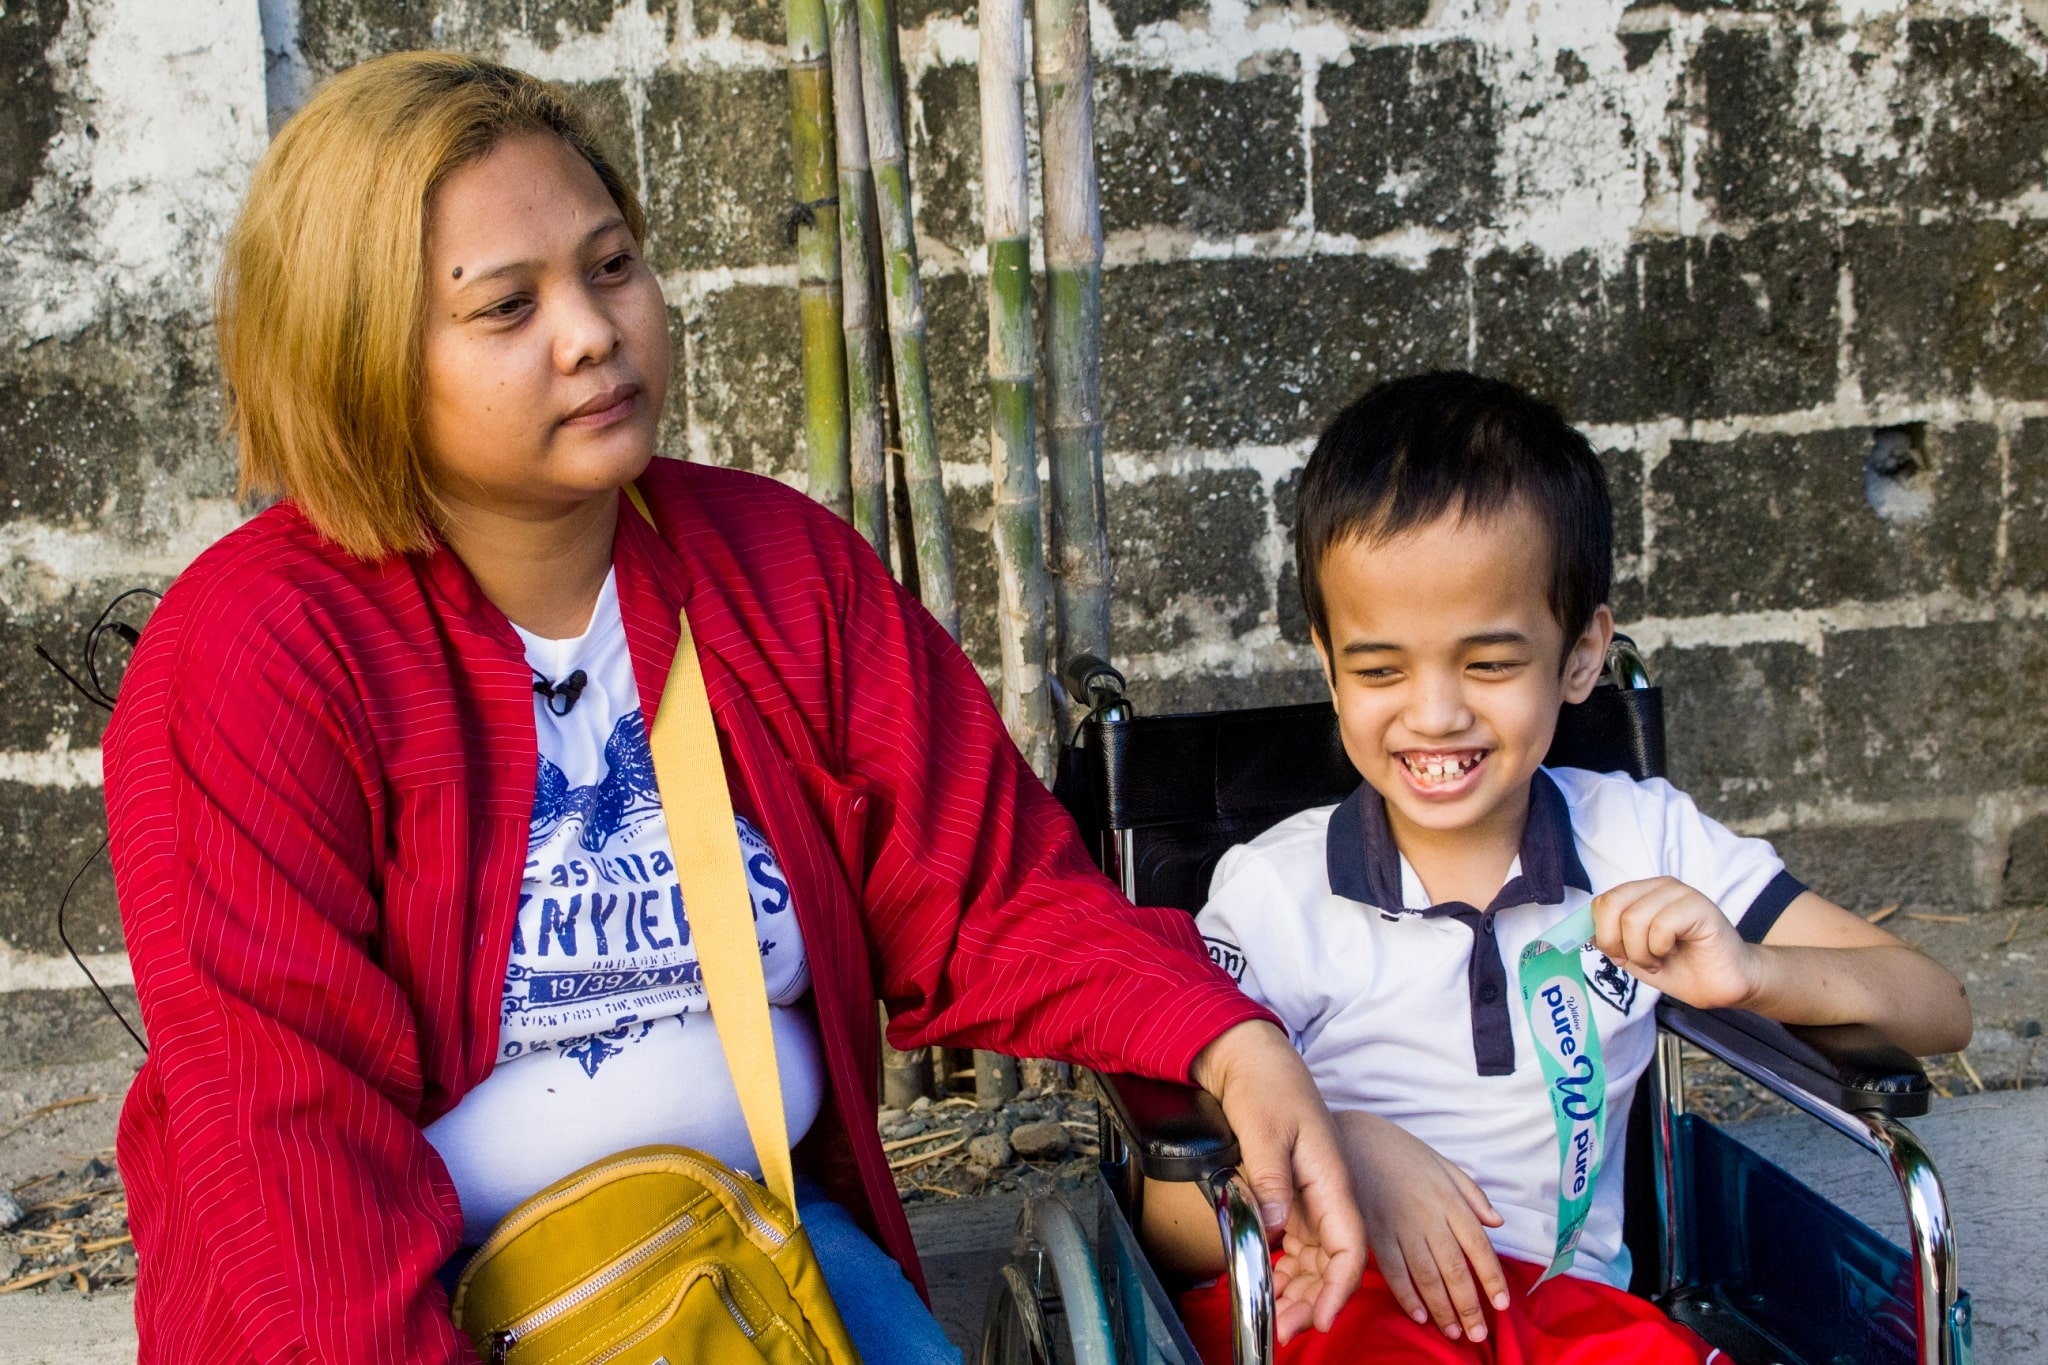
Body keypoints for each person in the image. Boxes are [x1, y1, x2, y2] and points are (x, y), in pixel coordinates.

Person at [102, 53, 1364, 1364]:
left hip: (750, 1254)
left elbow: (990, 896)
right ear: (359, 352)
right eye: (505, 307)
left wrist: (1217, 1033)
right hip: (415, 1302)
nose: (592, 332)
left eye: (610, 267)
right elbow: (280, 1137)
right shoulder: (259, 649)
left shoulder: (775, 571)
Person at [1142, 371, 1972, 1364]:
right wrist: (1341, 1150)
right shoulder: (1275, 894)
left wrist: (1757, 974)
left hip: (1569, 1313)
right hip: (1336, 1294)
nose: (1434, 713)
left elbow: (1936, 1004)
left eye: (1488, 662)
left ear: (1579, 658)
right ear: (1326, 665)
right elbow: (1168, 1215)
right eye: (1378, 669)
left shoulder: (1642, 842)